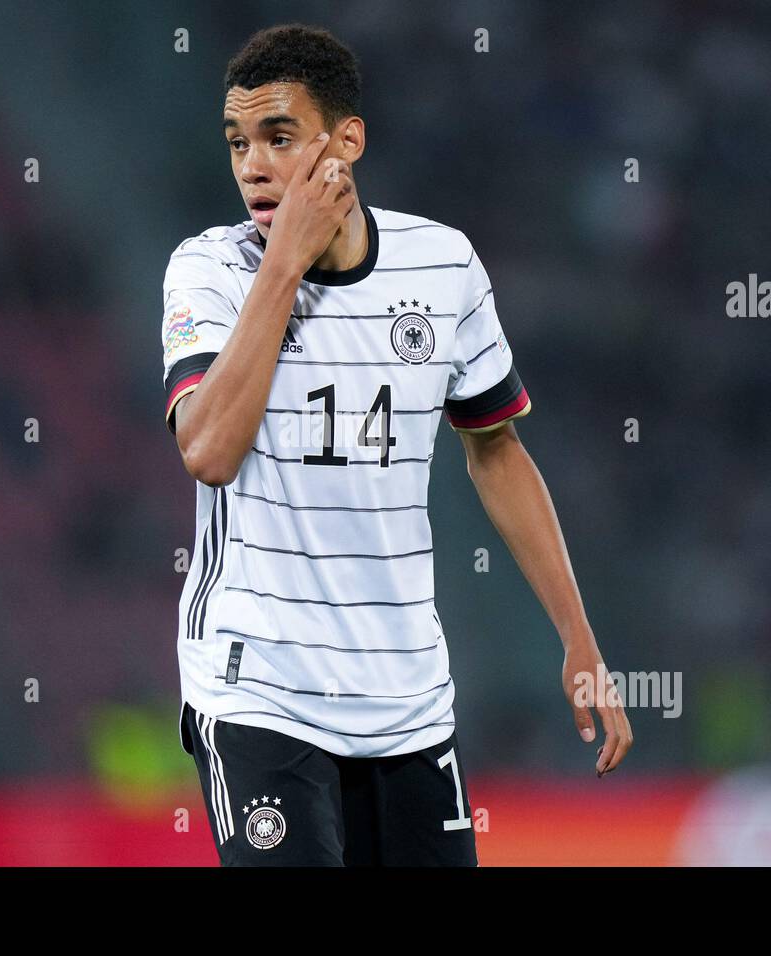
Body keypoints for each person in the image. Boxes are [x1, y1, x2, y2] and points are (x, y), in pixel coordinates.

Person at [160, 23, 632, 866]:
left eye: (278, 137)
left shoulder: (442, 266)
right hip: (259, 692)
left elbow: (495, 449)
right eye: (238, 144)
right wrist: (285, 266)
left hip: (406, 700)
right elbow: (208, 452)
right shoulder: (212, 272)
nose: (253, 167)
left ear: (349, 141)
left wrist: (579, 636)